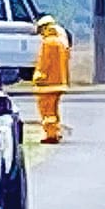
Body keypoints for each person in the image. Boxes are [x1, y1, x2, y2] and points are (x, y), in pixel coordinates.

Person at [32, 14, 70, 143]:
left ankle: (51, 135)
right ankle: (56, 131)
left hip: (47, 83)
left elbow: (44, 62)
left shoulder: (48, 43)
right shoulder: (61, 41)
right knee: (54, 110)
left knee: (47, 111)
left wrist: (39, 76)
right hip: (59, 82)